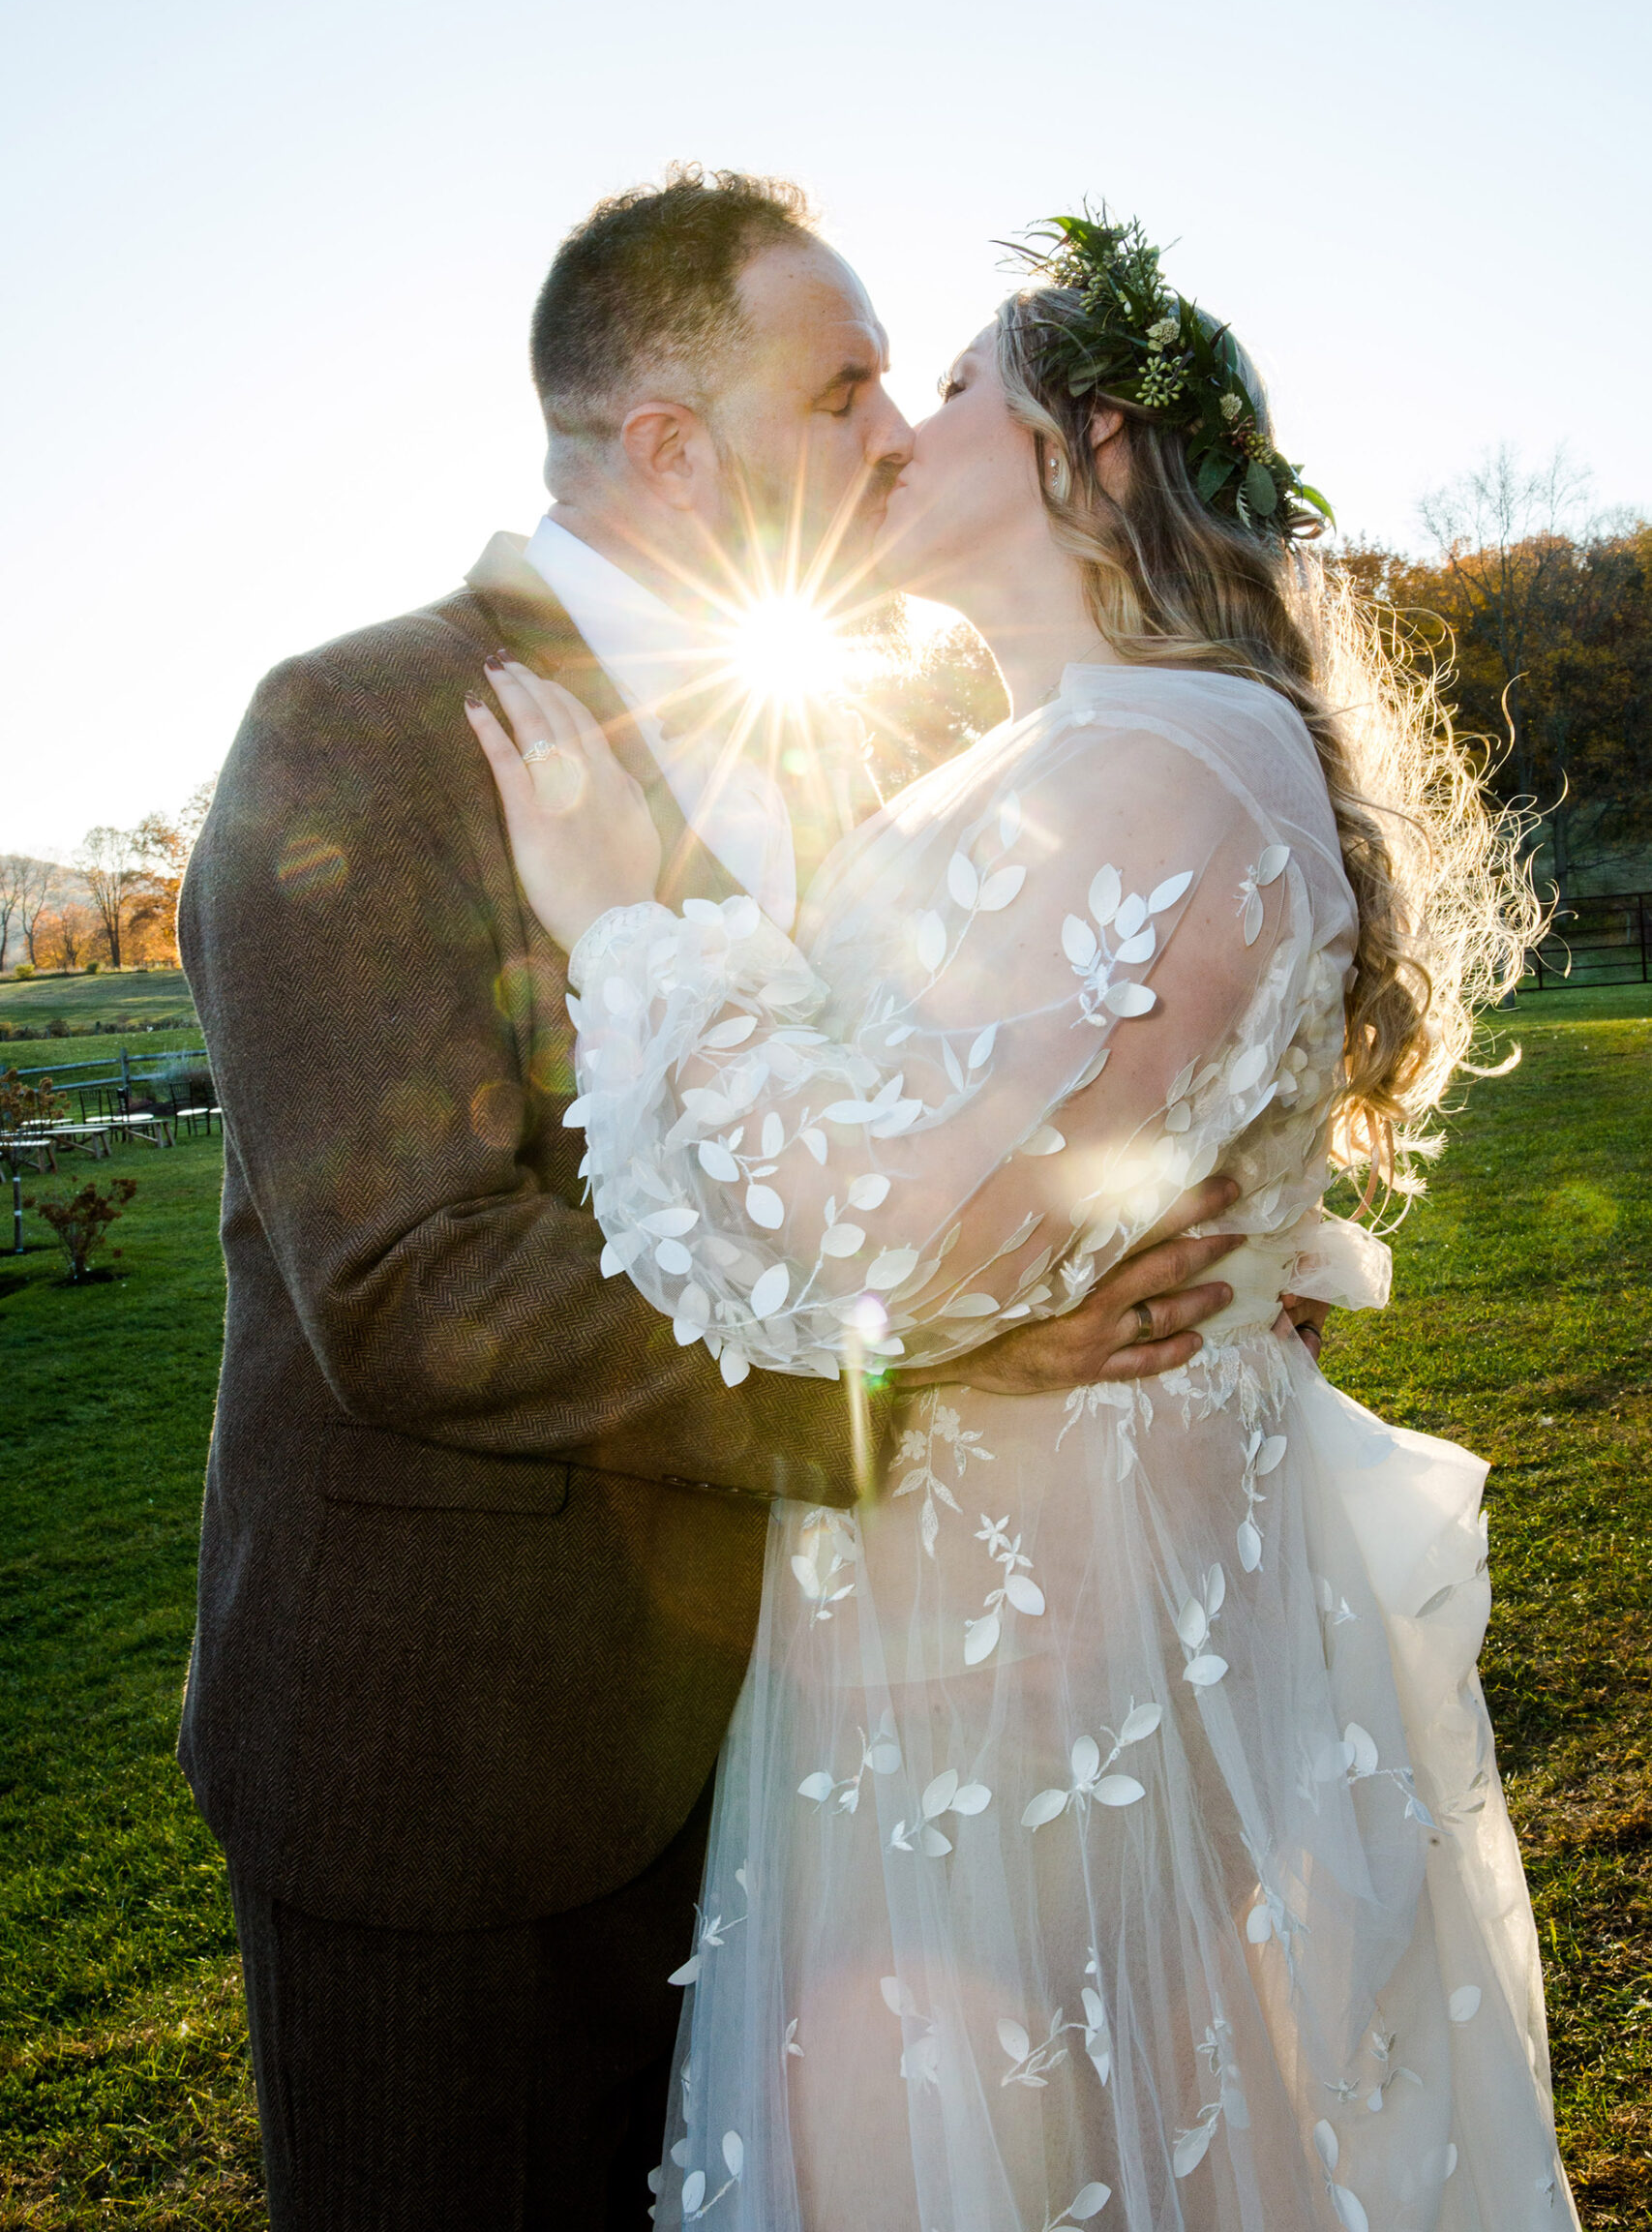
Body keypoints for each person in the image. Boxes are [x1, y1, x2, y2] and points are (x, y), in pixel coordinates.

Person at [466, 208, 1577, 2229]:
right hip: (957, 1642)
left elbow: (884, 1231)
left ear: (1102, 444)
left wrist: (624, 924)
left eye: (954, 381)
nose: (893, 433)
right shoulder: (1040, 758)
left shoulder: (1177, 752)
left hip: (1046, 1696)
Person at [176, 173, 1253, 2232]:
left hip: (832, 1752)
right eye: (843, 385)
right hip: (468, 1752)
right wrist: (921, 1369)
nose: (895, 431)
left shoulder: (896, 741)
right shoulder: (363, 724)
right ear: (670, 443)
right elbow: (414, 1283)